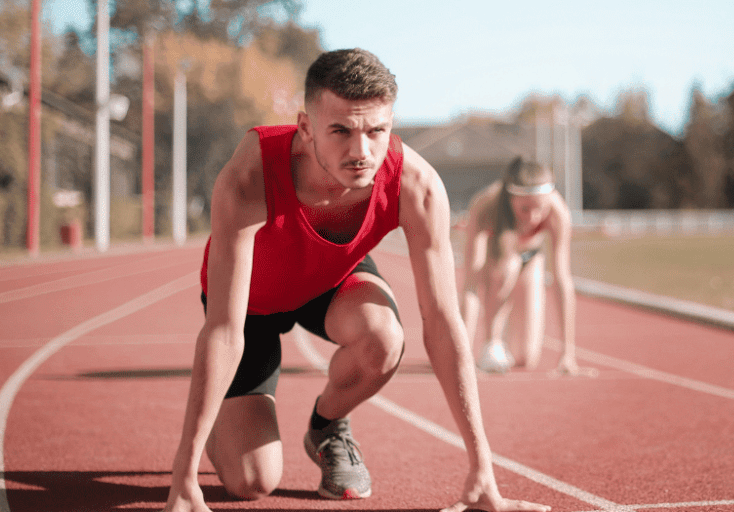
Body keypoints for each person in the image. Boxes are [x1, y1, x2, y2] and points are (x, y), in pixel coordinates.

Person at [161, 48, 549, 512]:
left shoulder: (417, 187)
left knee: (385, 338)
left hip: (333, 282)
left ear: (391, 126)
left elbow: (444, 324)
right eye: (340, 131)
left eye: (376, 131)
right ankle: (225, 432)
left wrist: (482, 469)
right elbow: (223, 329)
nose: (361, 151)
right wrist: (183, 477)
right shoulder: (249, 176)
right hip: (252, 305)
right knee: (250, 481)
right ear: (306, 128)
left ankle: (327, 426)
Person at [459, 157, 589, 376]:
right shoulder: (485, 205)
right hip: (497, 261)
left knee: (524, 358)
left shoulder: (558, 212)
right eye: (525, 209)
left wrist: (568, 353)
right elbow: (470, 283)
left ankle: (509, 341)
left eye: (540, 208)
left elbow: (562, 280)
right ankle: (492, 342)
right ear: (510, 200)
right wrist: (461, 354)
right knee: (509, 265)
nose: (533, 217)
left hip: (531, 260)